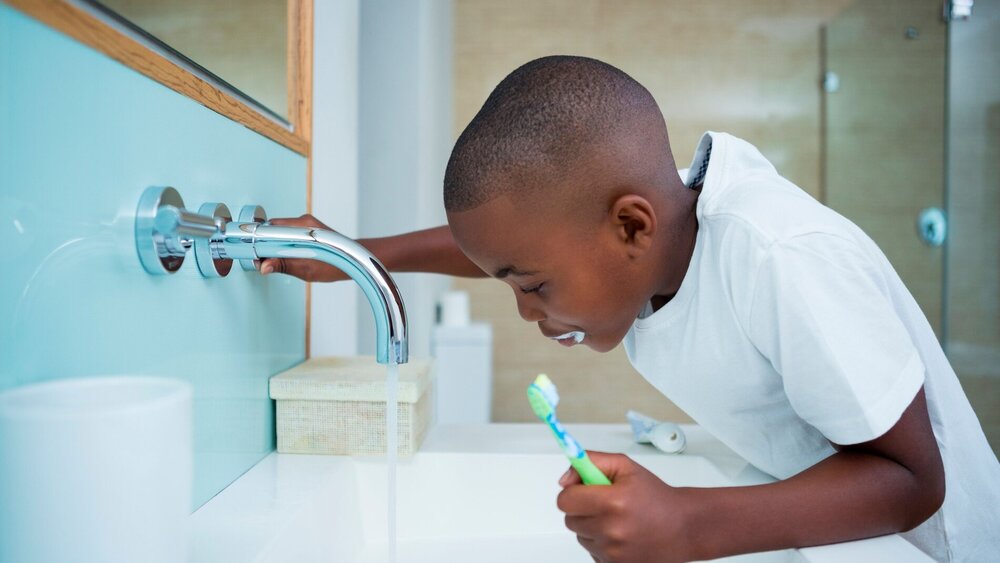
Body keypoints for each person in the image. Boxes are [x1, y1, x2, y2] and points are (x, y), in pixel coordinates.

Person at [260, 56, 998, 562]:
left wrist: (687, 524)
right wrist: (355, 250)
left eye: (535, 287)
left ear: (632, 228)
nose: (524, 309)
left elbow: (912, 479)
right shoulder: (652, 227)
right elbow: (514, 244)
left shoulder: (778, 257)